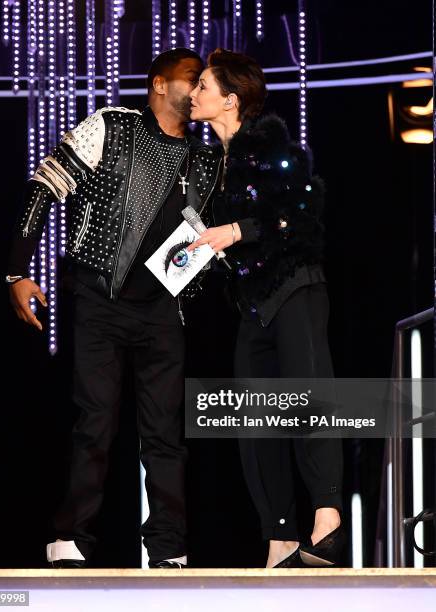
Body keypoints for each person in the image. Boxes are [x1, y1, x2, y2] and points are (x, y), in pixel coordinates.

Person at [6, 48, 222, 569]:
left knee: (166, 434)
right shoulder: (112, 125)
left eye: (203, 83)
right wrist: (16, 270)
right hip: (100, 299)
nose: (195, 90)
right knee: (96, 421)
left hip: (164, 311)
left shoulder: (207, 158)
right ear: (157, 84)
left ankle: (169, 549)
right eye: (190, 79)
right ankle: (71, 539)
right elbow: (45, 185)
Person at [188, 49, 345, 568]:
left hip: (295, 288)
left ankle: (326, 515)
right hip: (252, 303)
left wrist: (236, 232)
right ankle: (279, 535)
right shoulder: (212, 165)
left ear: (230, 100)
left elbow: (301, 214)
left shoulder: (269, 146)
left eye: (204, 87)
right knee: (255, 419)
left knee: (308, 396)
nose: (194, 94)